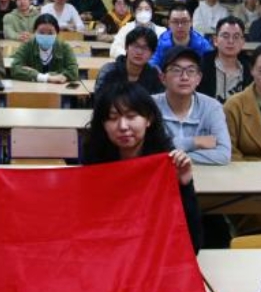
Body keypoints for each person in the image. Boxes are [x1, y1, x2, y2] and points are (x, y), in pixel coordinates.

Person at [82, 81, 202, 254]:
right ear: (103, 124)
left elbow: (191, 243)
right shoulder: (95, 162)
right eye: (113, 118)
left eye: (131, 116)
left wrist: (185, 185)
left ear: (149, 119)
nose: (123, 126)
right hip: (108, 253)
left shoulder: (168, 163)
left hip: (150, 255)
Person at [152, 46, 232, 165]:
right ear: (162, 78)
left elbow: (223, 154)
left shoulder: (211, 107)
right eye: (176, 70)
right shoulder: (150, 106)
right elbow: (148, 150)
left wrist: (182, 157)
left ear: (198, 78)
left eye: (191, 71)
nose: (184, 77)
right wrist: (194, 142)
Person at [10, 14, 79, 83]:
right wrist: (47, 78)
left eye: (50, 33)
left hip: (56, 88)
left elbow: (73, 72)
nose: (46, 36)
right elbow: (14, 68)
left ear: (57, 33)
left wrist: (33, 74)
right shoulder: (27, 45)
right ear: (34, 32)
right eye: (41, 32)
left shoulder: (64, 47)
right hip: (32, 88)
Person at [94, 27, 164, 95]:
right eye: (136, 46)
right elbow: (100, 99)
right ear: (126, 47)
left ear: (152, 53)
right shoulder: (109, 71)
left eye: (145, 48)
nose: (139, 52)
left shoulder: (154, 75)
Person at [198, 16, 254, 102]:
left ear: (243, 42)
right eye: (225, 36)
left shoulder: (250, 68)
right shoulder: (201, 65)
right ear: (215, 40)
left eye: (236, 37)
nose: (231, 41)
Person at [149, 4, 214, 69]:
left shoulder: (202, 44)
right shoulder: (161, 43)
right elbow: (152, 63)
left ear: (191, 22)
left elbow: (212, 64)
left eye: (184, 21)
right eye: (175, 21)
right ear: (169, 23)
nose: (180, 26)